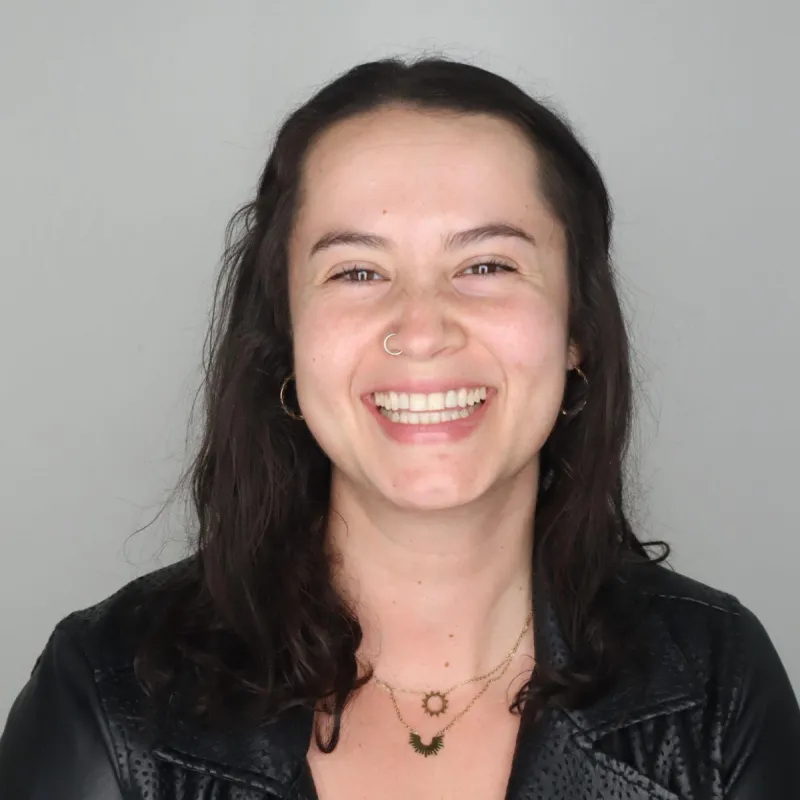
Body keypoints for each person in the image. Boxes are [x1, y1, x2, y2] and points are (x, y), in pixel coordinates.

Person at [1, 56, 798, 800]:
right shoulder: (108, 691)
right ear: (285, 340)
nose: (421, 329)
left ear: (576, 330)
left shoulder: (715, 683)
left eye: (487, 265)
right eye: (357, 271)